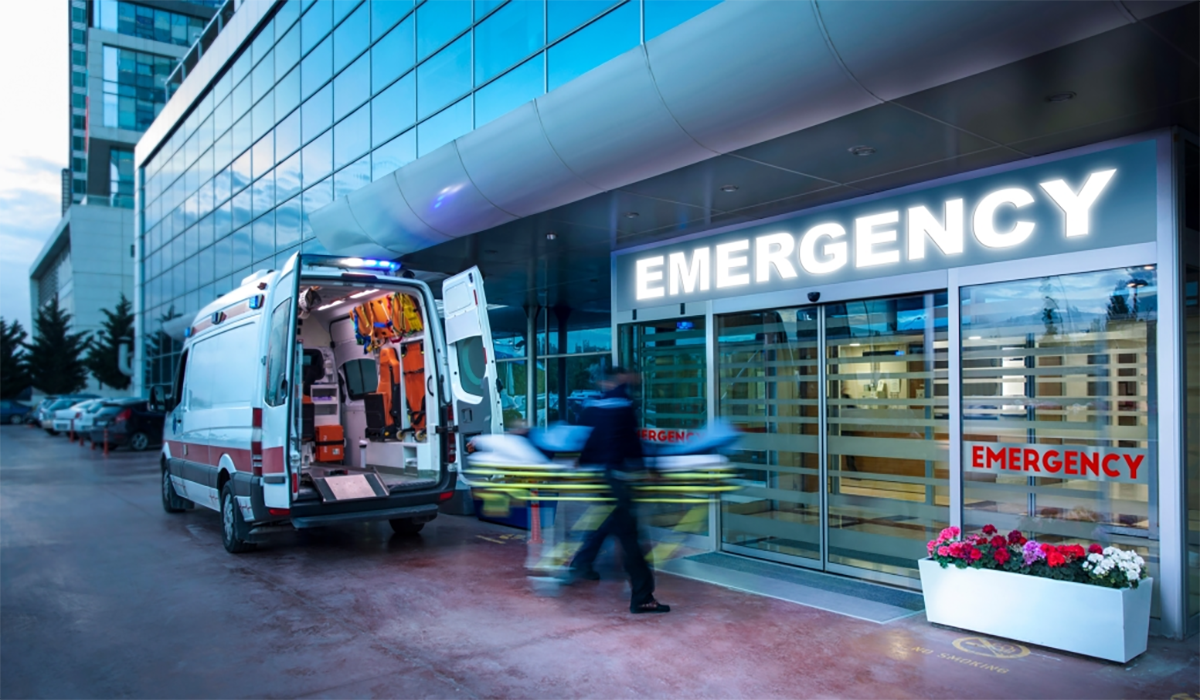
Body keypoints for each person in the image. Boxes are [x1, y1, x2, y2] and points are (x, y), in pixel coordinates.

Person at [565, 367, 670, 614]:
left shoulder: (593, 407)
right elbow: (632, 444)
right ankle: (643, 597)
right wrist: (647, 470)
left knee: (611, 523)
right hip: (615, 479)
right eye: (629, 377)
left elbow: (585, 441)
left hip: (601, 479)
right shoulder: (622, 405)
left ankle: (581, 563)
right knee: (631, 539)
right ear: (618, 380)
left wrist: (581, 462)